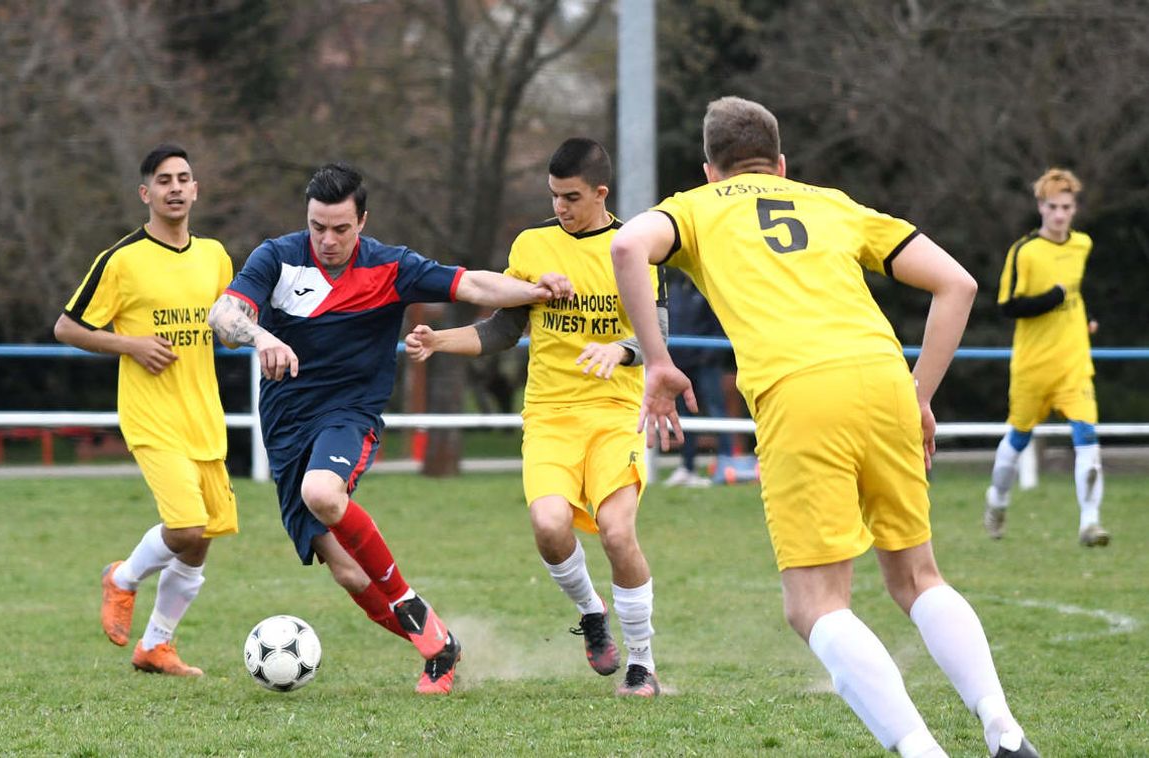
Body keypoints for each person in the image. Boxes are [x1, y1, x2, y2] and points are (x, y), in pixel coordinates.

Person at [610, 97, 1039, 757]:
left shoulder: (694, 207)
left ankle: (921, 750)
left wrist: (659, 363)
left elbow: (626, 245)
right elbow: (957, 283)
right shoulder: (831, 202)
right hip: (884, 377)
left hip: (799, 389)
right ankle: (1002, 727)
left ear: (707, 171)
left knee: (813, 602)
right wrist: (917, 394)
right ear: (781, 164)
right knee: (916, 576)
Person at [207, 162, 572, 695]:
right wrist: (261, 337)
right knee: (350, 574)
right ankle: (440, 646)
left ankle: (407, 602)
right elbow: (223, 314)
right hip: (286, 431)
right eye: (317, 227)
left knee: (322, 492)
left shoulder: (391, 267)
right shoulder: (277, 257)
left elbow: (470, 283)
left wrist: (534, 291)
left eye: (340, 229)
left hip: (348, 416)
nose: (327, 240)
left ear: (363, 221)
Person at [404, 138, 666, 697]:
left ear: (601, 192)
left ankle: (642, 663)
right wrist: (441, 340)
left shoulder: (632, 246)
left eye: (572, 197)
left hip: (616, 412)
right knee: (550, 526)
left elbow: (657, 334)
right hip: (549, 415)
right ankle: (592, 612)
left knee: (618, 533)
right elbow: (503, 329)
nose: (560, 207)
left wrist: (621, 351)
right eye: (553, 196)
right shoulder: (532, 244)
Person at [54, 143, 235, 677]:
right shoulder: (122, 259)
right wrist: (131, 344)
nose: (175, 188)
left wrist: (255, 337)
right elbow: (67, 327)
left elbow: (227, 325)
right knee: (183, 528)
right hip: (150, 416)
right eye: (163, 180)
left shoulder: (216, 256)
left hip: (204, 415)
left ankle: (156, 645)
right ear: (145, 193)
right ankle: (123, 577)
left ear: (196, 189)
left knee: (199, 544)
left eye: (183, 178)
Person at [984, 168, 1108, 547]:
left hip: (1073, 363)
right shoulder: (1024, 251)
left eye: (1066, 207)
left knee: (1087, 435)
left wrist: (1082, 319)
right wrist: (1050, 301)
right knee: (1018, 437)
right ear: (1040, 207)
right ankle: (997, 501)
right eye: (1052, 206)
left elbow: (1074, 292)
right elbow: (1007, 306)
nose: (1059, 214)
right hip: (1033, 367)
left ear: (1074, 209)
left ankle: (1090, 523)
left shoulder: (1082, 245)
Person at [663, 269, 732, 488]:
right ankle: (687, 466)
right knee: (683, 416)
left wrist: (707, 356)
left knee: (715, 410)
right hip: (680, 362)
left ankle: (726, 464)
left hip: (706, 362)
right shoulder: (673, 289)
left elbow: (719, 326)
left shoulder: (707, 289)